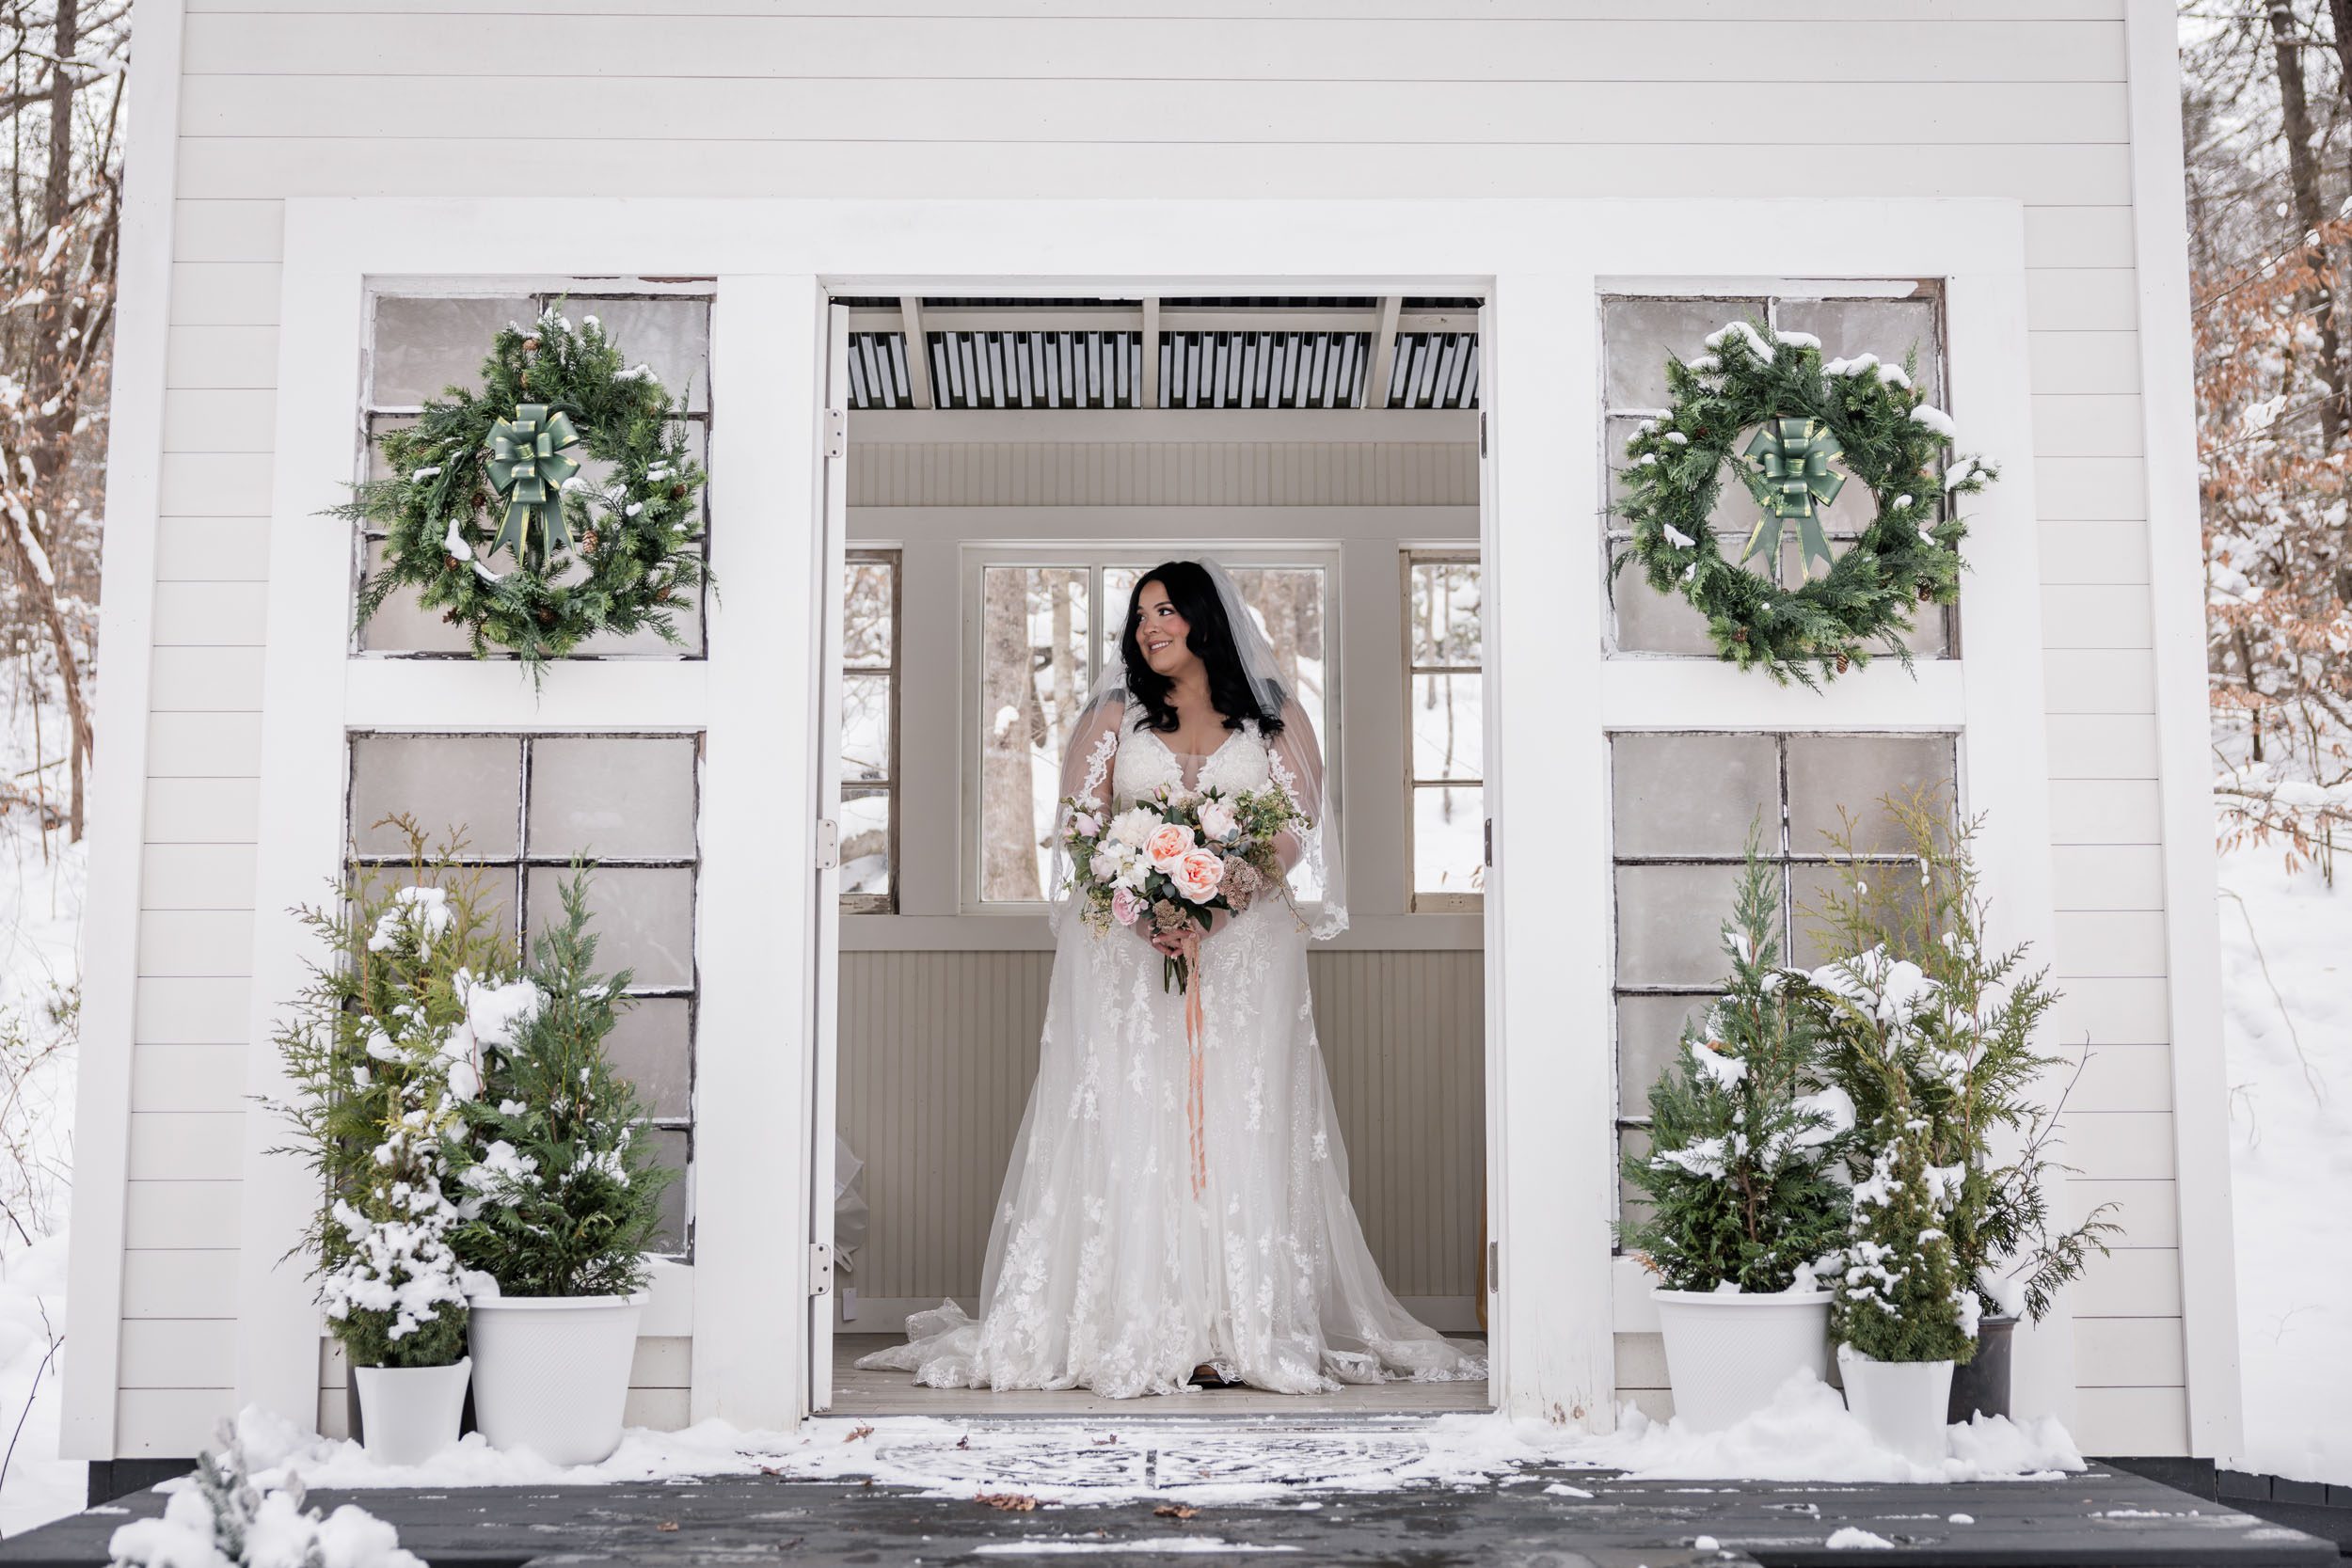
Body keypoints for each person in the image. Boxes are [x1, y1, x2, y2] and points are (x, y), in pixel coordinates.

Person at [858, 559, 1486, 1397]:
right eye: (1141, 613)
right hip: (1128, 953)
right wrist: (1144, 903)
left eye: (1166, 610)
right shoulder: (1115, 715)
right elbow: (1080, 829)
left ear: (1203, 617)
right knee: (1131, 1109)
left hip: (1248, 954)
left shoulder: (1276, 717)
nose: (1151, 626)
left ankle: (1234, 1326)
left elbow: (1294, 829)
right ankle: (1134, 1318)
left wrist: (1216, 906)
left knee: (1239, 1114)